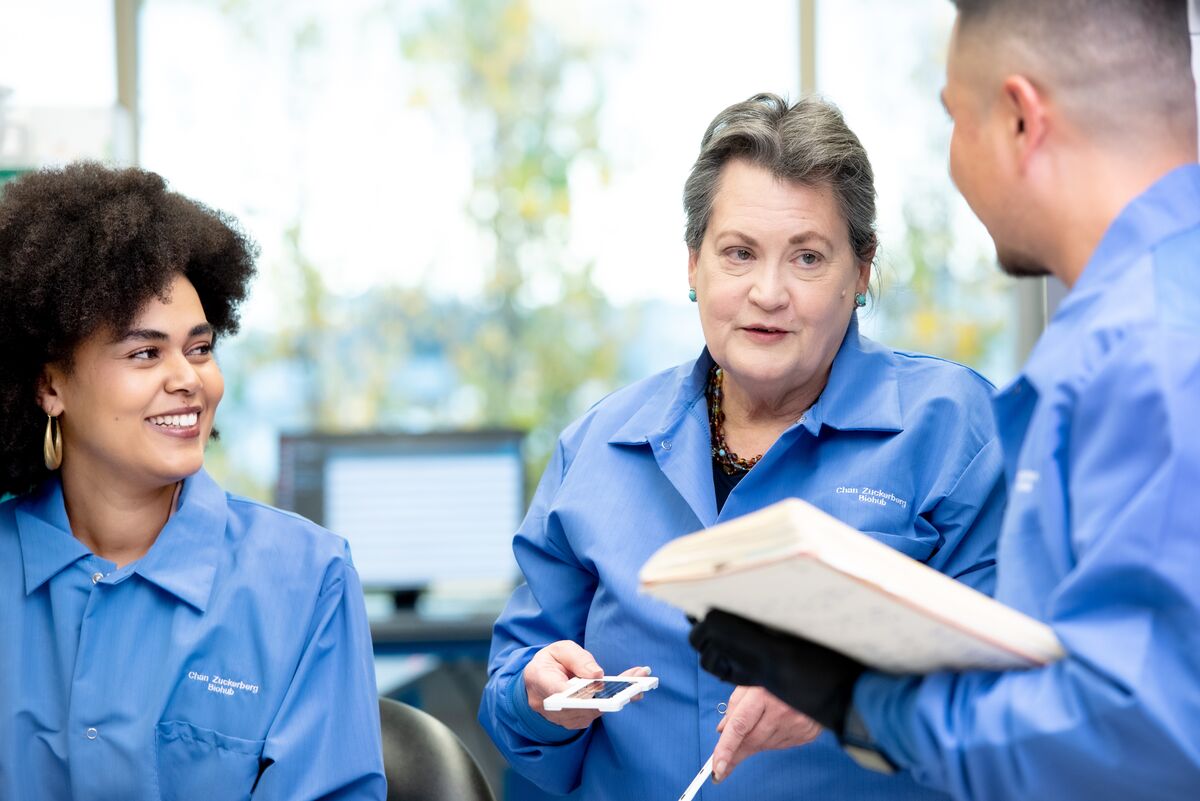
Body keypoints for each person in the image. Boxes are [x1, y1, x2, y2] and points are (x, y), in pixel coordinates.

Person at [689, 2, 1200, 799]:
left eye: (955, 120)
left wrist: (856, 695)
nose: (956, 164)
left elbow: (1134, 731)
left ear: (1021, 120)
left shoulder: (1150, 353)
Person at [479, 93, 1007, 800]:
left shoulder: (953, 430)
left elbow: (1021, 699)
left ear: (861, 271)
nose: (768, 291)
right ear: (694, 266)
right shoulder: (599, 444)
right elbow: (513, 697)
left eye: (808, 257)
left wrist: (845, 691)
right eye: (738, 253)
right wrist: (536, 697)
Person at [0, 163, 386, 800]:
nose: (190, 379)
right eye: (145, 353)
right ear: (50, 386)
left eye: (200, 348)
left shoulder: (307, 578)